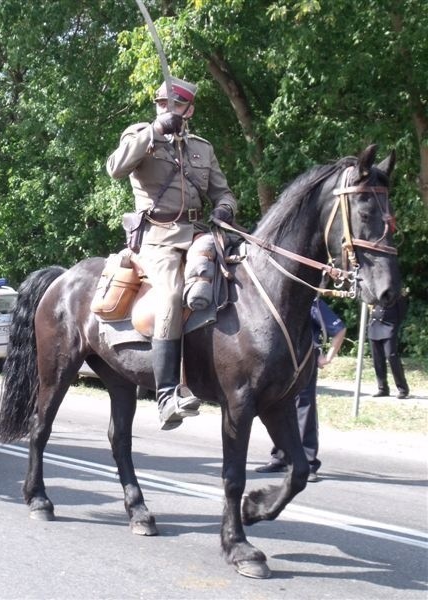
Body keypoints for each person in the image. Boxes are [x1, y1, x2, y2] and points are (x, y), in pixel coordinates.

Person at [106, 76, 238, 431]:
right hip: (157, 238)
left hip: (197, 234)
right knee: (170, 295)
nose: (168, 109)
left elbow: (223, 193)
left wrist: (224, 209)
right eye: (162, 103)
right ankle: (166, 395)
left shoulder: (201, 148)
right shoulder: (140, 136)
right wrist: (155, 130)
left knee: (231, 281)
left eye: (175, 105)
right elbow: (115, 167)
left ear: (189, 109)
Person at [256, 297, 346, 482]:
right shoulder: (278, 300)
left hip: (304, 359)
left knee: (304, 408)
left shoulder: (311, 303)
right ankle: (281, 457)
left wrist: (327, 358)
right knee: (277, 408)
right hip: (282, 359)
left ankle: (309, 463)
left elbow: (339, 329)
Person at [368, 291, 410, 399]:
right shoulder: (373, 290)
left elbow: (402, 312)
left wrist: (394, 324)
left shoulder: (397, 292)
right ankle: (382, 388)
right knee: (377, 358)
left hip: (389, 324)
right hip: (374, 324)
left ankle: (403, 389)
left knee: (391, 355)